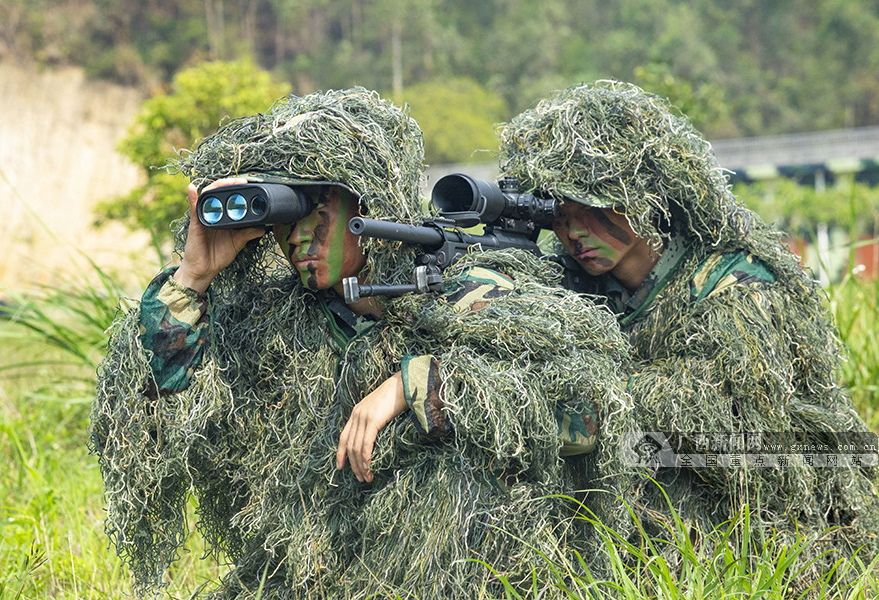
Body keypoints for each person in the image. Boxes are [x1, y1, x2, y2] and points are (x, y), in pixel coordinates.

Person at [89, 87, 630, 599]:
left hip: (471, 569)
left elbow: (579, 417)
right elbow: (158, 419)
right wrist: (193, 278)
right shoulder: (277, 319)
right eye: (285, 222)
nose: (298, 239)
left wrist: (412, 386)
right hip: (322, 569)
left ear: (367, 207)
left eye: (317, 217)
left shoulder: (468, 288)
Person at [498, 81, 879, 584]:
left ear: (642, 199)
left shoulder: (735, 284)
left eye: (590, 209)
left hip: (772, 511)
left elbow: (732, 431)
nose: (573, 233)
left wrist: (581, 404)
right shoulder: (585, 290)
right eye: (561, 218)